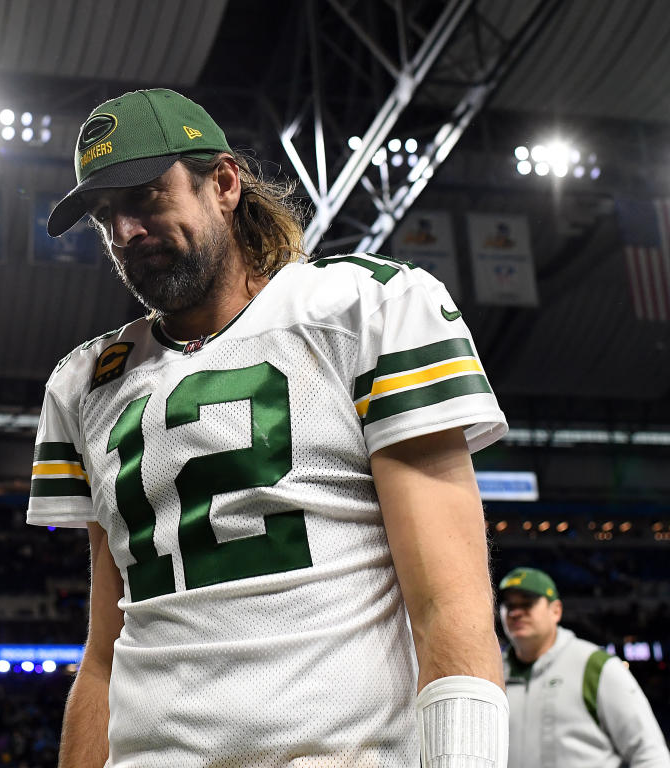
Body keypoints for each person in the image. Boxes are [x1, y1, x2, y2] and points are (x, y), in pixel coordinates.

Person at [27, 88, 510, 767]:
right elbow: (106, 650)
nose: (126, 231)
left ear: (223, 182)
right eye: (107, 215)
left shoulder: (365, 309)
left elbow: (449, 605)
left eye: (145, 197)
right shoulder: (84, 383)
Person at [498, 566, 670, 768]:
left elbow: (650, 753)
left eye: (527, 604)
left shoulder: (595, 665)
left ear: (556, 611)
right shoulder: (492, 673)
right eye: (509, 606)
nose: (516, 612)